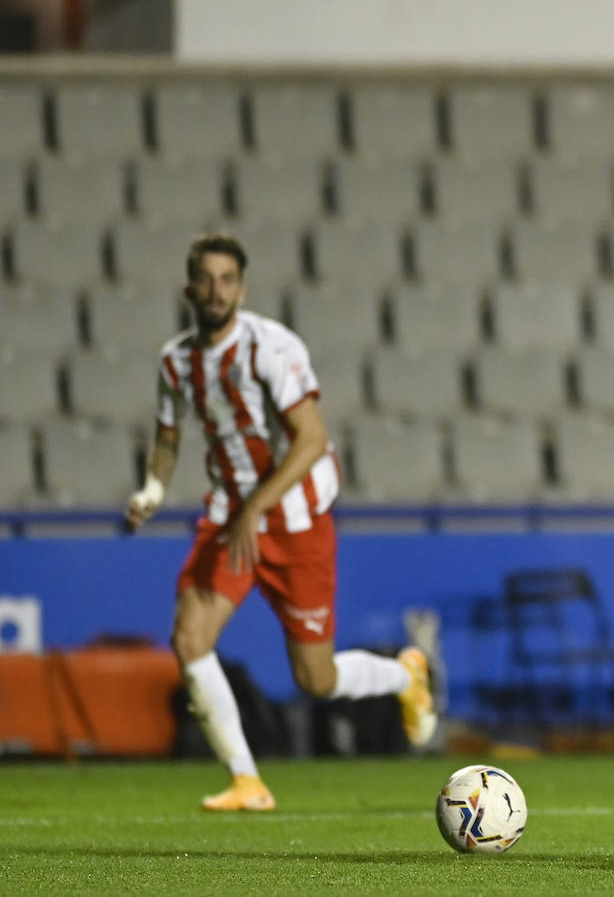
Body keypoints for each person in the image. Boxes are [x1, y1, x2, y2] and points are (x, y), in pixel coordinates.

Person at [125, 234, 437, 811]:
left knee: (314, 679)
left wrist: (257, 507)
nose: (216, 290)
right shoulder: (176, 360)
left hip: (294, 522)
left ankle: (404, 676)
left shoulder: (270, 348)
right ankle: (247, 780)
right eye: (205, 279)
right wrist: (151, 489)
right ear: (189, 286)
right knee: (189, 638)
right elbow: (167, 439)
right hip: (231, 519)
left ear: (240, 289)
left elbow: (312, 439)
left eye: (227, 280)